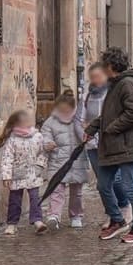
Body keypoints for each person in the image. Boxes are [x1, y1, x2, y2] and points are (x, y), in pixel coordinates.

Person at [88, 47, 133, 244]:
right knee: (104, 185)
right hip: (113, 145)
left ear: (111, 66)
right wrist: (91, 128)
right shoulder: (115, 85)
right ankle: (116, 219)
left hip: (126, 145)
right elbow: (109, 114)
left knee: (129, 186)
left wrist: (112, 128)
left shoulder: (127, 84)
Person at [83, 63, 130, 228]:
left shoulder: (113, 93)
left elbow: (115, 115)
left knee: (115, 179)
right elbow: (80, 117)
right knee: (103, 182)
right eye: (92, 77)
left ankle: (124, 205)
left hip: (109, 141)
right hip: (92, 144)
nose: (95, 80)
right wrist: (84, 129)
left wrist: (106, 128)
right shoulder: (87, 95)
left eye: (98, 76)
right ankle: (112, 214)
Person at [0, 109, 51, 235]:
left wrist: (40, 166)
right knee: (15, 200)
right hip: (17, 175)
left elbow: (42, 152)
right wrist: (6, 176)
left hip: (33, 174)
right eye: (24, 121)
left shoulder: (37, 136)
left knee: (35, 198)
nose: (28, 122)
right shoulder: (12, 139)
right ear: (17, 124)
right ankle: (12, 223)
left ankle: (37, 221)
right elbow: (7, 158)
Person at [40, 92, 89, 229]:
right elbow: (44, 135)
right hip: (57, 161)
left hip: (76, 161)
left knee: (77, 192)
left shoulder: (79, 119)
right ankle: (54, 216)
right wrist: (47, 143)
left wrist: (87, 131)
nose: (64, 112)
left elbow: (88, 134)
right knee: (56, 189)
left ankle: (76, 215)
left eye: (67, 109)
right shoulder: (50, 121)